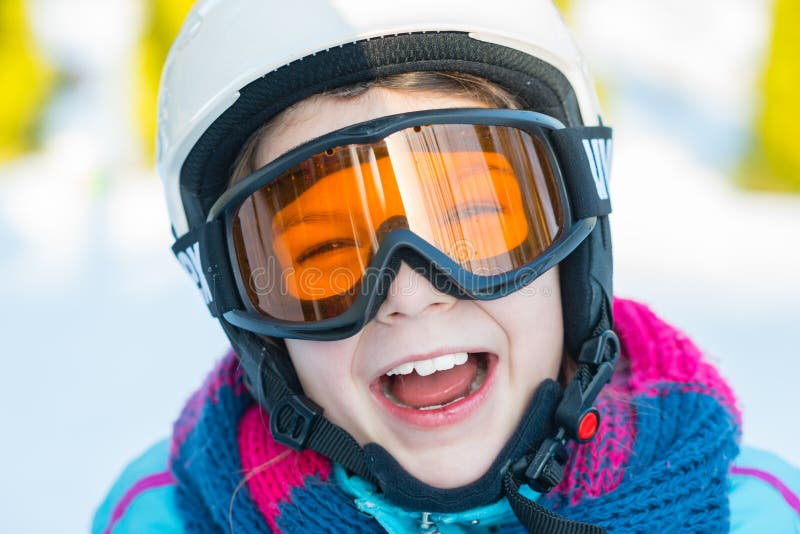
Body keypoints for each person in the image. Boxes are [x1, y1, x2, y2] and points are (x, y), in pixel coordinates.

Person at [93, 0, 800, 532]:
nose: (411, 292)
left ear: (577, 242)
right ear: (252, 325)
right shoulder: (165, 517)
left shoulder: (754, 515)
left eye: (474, 224)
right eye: (326, 255)